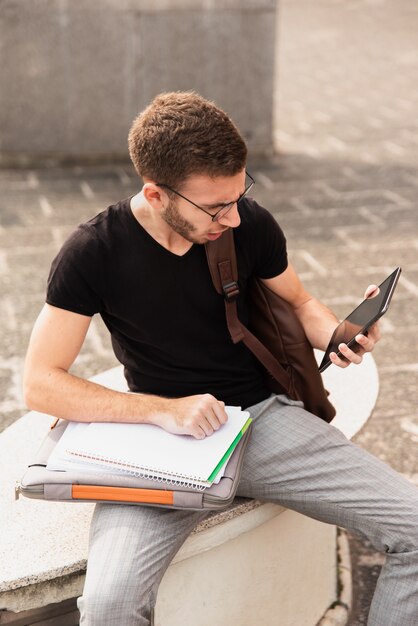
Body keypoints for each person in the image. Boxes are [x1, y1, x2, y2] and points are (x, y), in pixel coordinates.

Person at [23, 91, 418, 626]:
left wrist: (339, 335)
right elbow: (41, 383)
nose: (232, 217)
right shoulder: (94, 252)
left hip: (263, 419)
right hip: (160, 442)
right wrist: (163, 410)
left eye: (240, 195)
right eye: (215, 207)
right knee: (109, 604)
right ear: (157, 194)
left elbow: (298, 302)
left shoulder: (248, 224)